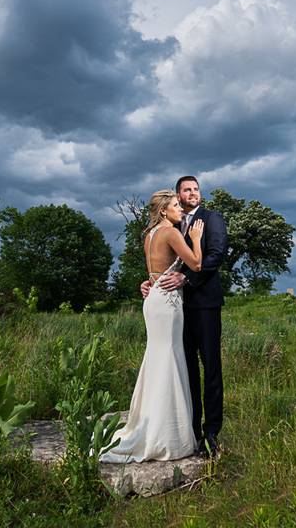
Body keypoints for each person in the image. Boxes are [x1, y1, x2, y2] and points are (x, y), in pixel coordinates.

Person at [99, 189, 205, 463]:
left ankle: (153, 422)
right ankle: (165, 434)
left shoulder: (149, 236)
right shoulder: (170, 232)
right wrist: (195, 238)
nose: (180, 210)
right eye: (175, 206)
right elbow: (195, 263)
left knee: (158, 356)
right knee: (168, 356)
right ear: (163, 211)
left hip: (154, 297)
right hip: (167, 301)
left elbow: (155, 271)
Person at [140, 176, 227, 459]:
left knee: (210, 366)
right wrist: (151, 282)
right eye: (186, 190)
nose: (193, 193)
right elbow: (163, 261)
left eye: (196, 189)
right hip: (175, 308)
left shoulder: (212, 219)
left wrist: (185, 278)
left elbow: (214, 257)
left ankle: (211, 432)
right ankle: (187, 430)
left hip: (204, 305)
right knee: (183, 368)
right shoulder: (173, 226)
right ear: (177, 196)